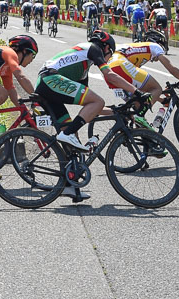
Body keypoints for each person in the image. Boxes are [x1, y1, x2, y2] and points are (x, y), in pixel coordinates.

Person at [33, 30, 139, 200]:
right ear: (105, 47)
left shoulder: (82, 68)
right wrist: (136, 92)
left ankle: (69, 186)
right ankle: (67, 135)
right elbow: (109, 76)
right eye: (110, 55)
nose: (108, 59)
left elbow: (91, 108)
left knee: (72, 138)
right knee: (79, 123)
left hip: (46, 84)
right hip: (50, 79)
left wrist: (116, 111)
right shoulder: (93, 48)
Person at [104, 30, 179, 129]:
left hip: (108, 72)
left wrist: (161, 100)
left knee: (137, 108)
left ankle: (133, 136)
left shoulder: (132, 48)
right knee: (157, 89)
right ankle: (139, 117)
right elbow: (172, 69)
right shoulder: (154, 46)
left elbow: (140, 89)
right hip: (120, 65)